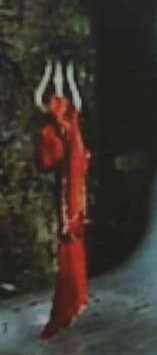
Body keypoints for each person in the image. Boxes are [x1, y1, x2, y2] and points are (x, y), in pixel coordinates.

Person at [34, 60, 90, 339]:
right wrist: (54, 76)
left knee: (72, 236)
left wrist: (62, 76)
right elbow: (41, 100)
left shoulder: (69, 123)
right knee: (69, 237)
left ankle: (74, 298)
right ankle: (72, 300)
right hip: (69, 183)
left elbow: (75, 100)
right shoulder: (56, 127)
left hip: (74, 182)